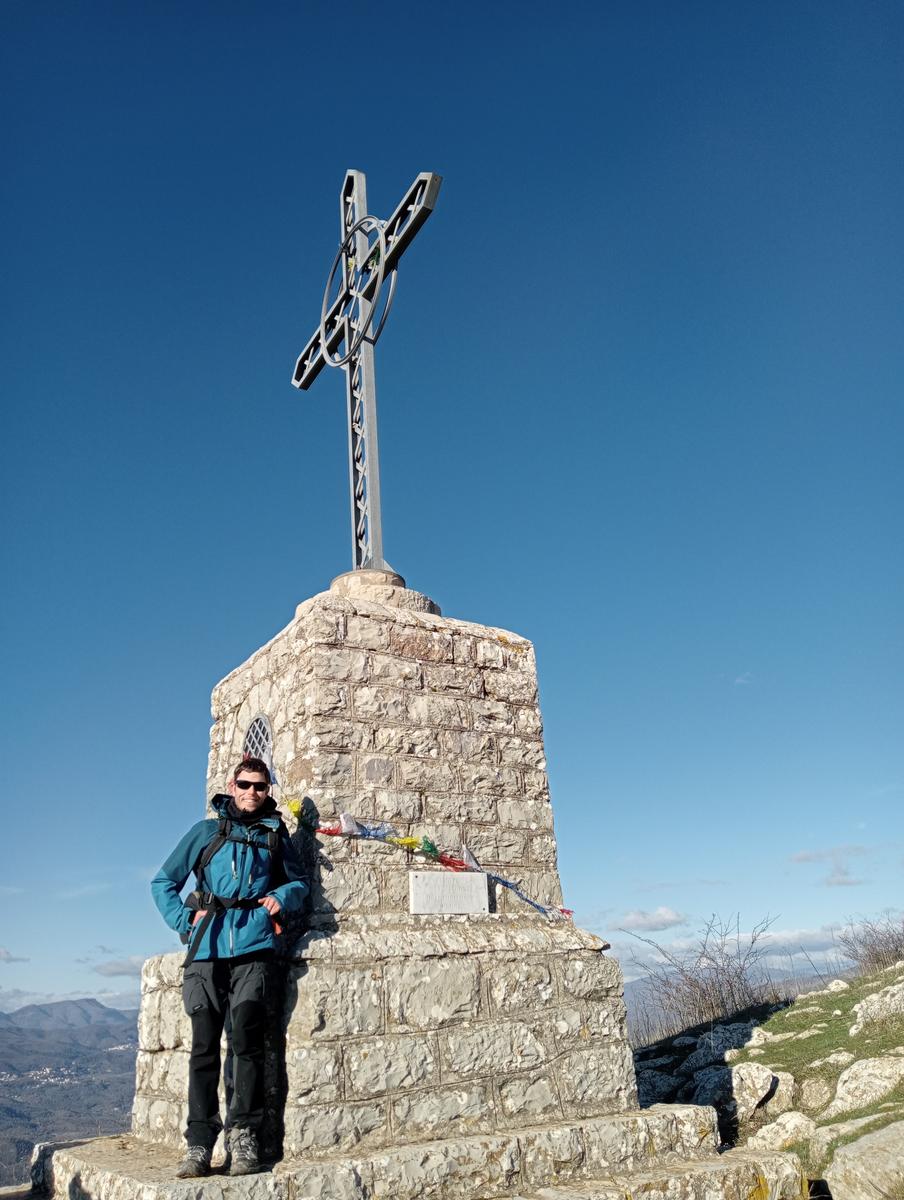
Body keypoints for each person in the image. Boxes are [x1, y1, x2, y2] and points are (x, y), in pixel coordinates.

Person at [151, 756, 307, 1178]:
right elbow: (163, 882)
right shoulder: (205, 833)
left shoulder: (276, 836)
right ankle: (199, 1144)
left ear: (268, 789)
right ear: (231, 784)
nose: (252, 792)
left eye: (260, 786)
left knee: (246, 1044)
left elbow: (298, 882)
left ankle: (244, 1137)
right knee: (204, 1047)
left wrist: (284, 898)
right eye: (245, 784)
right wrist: (185, 921)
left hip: (254, 948)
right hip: (205, 952)